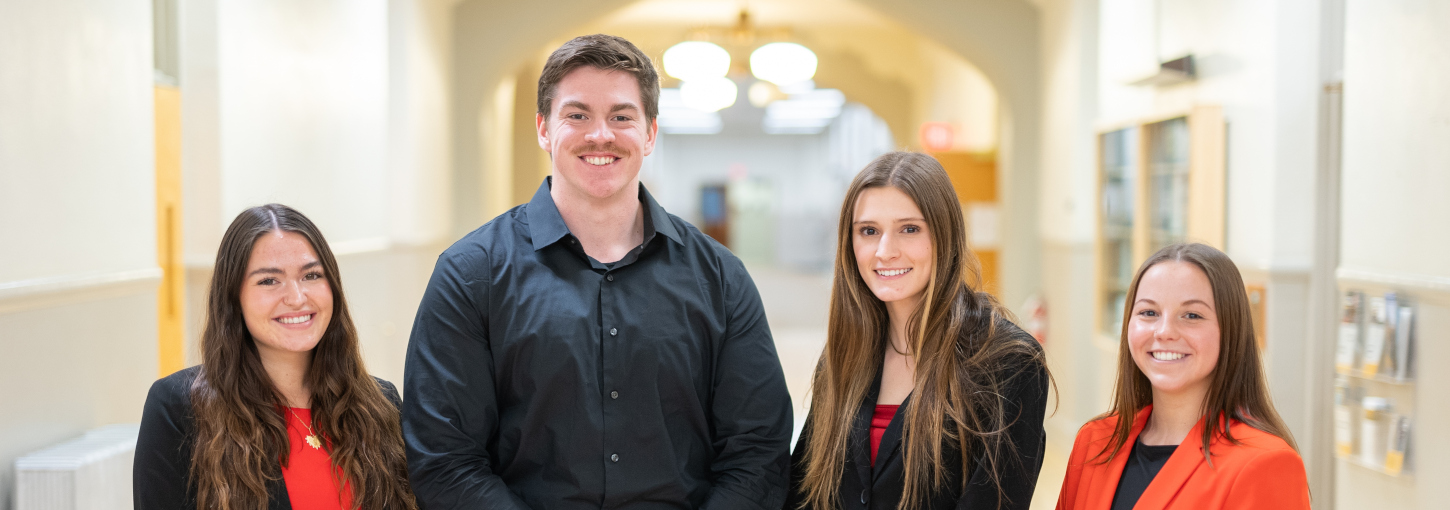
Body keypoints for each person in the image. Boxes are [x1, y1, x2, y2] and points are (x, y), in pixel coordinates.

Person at [402, 34, 793, 510]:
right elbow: (444, 458)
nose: (601, 135)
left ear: (649, 134)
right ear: (545, 129)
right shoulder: (471, 274)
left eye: (622, 116)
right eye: (578, 114)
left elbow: (758, 452)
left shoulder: (720, 277)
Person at [785, 152, 1050, 510]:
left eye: (909, 229)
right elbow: (804, 491)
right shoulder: (845, 355)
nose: (884, 251)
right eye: (869, 231)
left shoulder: (1008, 362)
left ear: (944, 235)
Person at [133, 204, 417, 509]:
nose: (296, 297)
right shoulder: (180, 408)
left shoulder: (380, 404)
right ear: (233, 297)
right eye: (269, 280)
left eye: (311, 275)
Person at [1055, 243, 1309, 510]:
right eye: (1149, 313)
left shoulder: (1265, 463)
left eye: (1192, 315)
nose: (1164, 332)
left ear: (1230, 330)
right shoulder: (1094, 442)